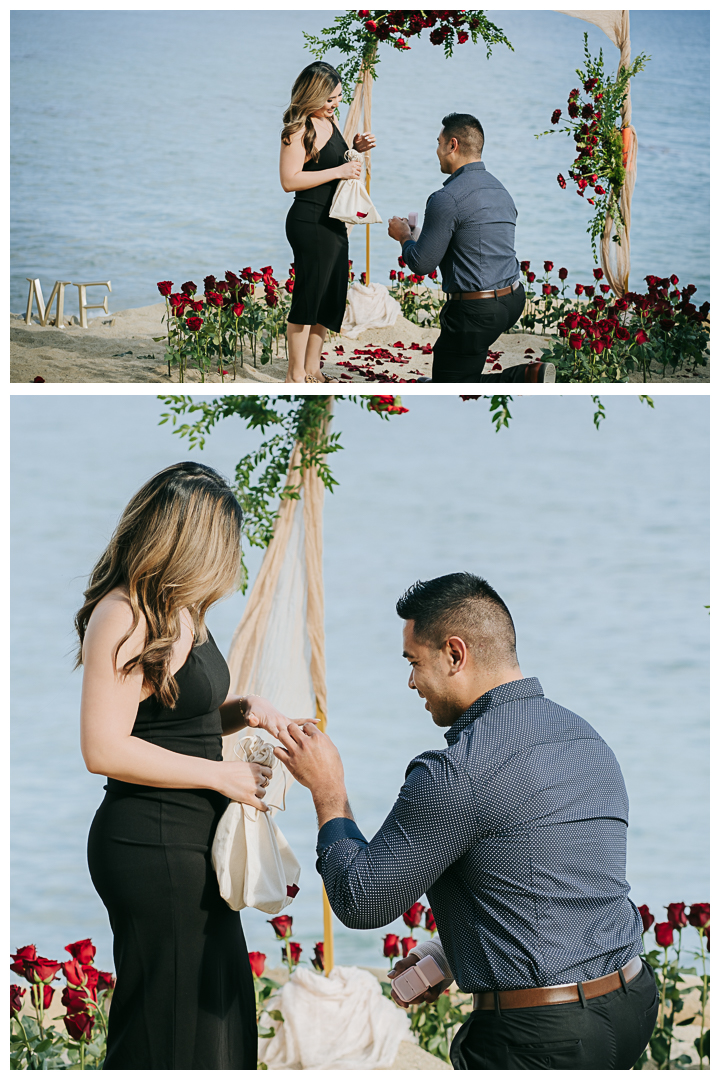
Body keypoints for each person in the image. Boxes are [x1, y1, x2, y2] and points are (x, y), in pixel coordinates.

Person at [274, 572, 658, 1070]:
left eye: (414, 662)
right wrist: (450, 953)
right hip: (631, 1001)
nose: (411, 682)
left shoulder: (457, 772)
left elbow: (362, 900)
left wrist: (328, 792)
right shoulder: (585, 740)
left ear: (455, 654)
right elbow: (554, 892)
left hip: (542, 1038)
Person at [77, 462, 314, 1069]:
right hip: (150, 841)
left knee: (217, 1010)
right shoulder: (125, 613)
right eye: (225, 545)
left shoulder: (183, 609)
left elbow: (173, 720)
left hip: (193, 841)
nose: (230, 562)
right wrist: (220, 775)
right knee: (171, 1026)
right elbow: (103, 748)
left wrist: (243, 712)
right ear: (193, 543)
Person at [387, 114, 555, 384]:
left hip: (476, 311)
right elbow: (472, 242)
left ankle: (527, 376)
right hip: (512, 299)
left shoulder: (446, 197)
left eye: (439, 143)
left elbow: (421, 264)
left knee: (449, 387)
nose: (437, 151)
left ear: (452, 145)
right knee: (462, 365)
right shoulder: (501, 190)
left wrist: (404, 236)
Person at [280, 61, 376, 383]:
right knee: (309, 296)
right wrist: (338, 171)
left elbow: (332, 161)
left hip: (334, 220)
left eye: (338, 98)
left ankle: (312, 367)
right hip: (309, 220)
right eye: (330, 99)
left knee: (330, 296)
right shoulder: (297, 130)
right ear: (313, 95)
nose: (335, 105)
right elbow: (290, 180)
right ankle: (295, 373)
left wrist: (354, 150)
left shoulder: (331, 122)